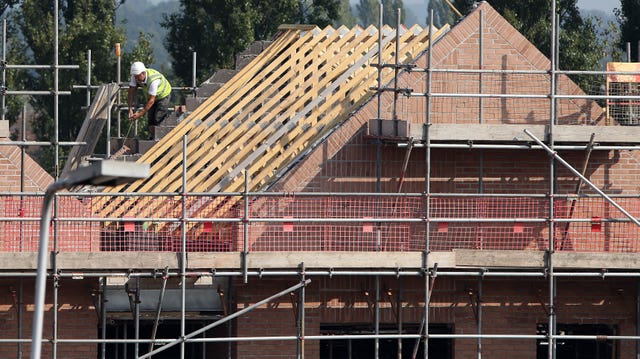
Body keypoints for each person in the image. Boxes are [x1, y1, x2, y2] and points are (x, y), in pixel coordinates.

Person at [127, 61, 172, 137]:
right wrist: (130, 109)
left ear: (143, 73)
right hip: (151, 96)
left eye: (138, 77)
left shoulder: (153, 81)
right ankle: (152, 138)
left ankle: (160, 139)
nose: (136, 79)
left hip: (163, 95)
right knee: (150, 118)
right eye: (135, 76)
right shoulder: (135, 76)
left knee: (158, 117)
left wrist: (139, 114)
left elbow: (151, 101)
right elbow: (131, 93)